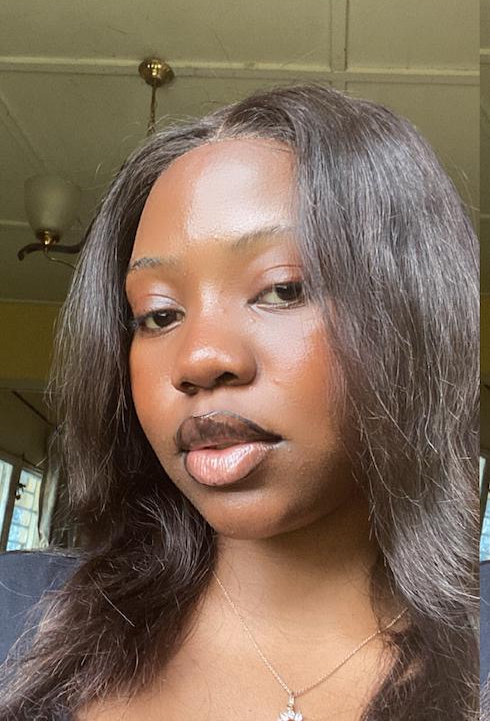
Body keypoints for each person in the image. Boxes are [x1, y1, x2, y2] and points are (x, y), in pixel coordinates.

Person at [0, 84, 478, 721]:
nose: (199, 360)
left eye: (282, 289)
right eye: (159, 314)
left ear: (409, 317)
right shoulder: (15, 616)